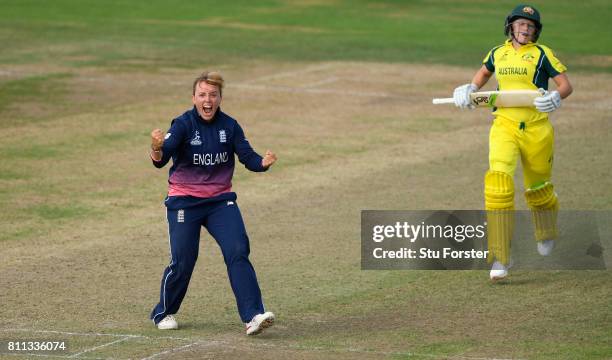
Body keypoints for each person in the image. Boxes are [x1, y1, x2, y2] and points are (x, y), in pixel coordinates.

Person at [149, 71, 277, 335]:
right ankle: (164, 312)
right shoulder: (183, 124)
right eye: (202, 95)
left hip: (220, 202)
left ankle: (253, 315)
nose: (207, 100)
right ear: (194, 98)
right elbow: (161, 160)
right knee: (184, 260)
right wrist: (156, 147)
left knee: (238, 249)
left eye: (213, 95)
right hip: (184, 202)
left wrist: (262, 164)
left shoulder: (230, 126)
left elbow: (248, 157)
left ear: (220, 98)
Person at [452, 4, 573, 280]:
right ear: (511, 26)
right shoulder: (498, 53)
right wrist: (470, 89)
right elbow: (482, 75)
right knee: (498, 184)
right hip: (504, 125)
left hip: (536, 129)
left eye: (530, 26)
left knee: (538, 188)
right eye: (521, 24)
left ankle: (546, 230)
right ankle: (501, 256)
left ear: (535, 31)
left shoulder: (542, 54)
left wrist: (556, 97)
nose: (525, 29)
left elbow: (565, 85)